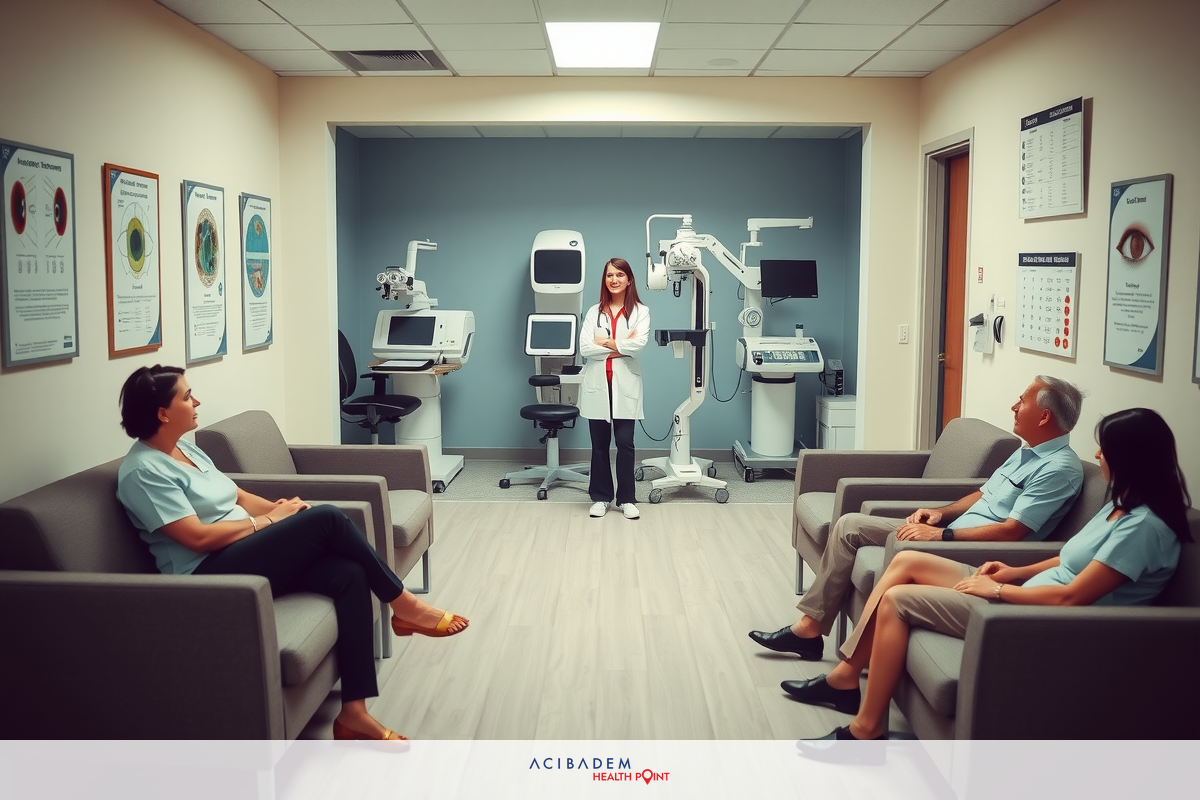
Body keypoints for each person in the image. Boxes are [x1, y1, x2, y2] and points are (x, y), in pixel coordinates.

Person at [792, 407, 1190, 743]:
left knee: (898, 600)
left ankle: (866, 728)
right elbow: (1069, 558)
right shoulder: (1118, 506)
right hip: (1027, 592)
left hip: (1043, 620)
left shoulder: (1142, 528)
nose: (1098, 454)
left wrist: (998, 590)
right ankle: (846, 676)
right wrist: (1016, 570)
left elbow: (1070, 598)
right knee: (909, 560)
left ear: (1132, 458)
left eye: (1107, 447)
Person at [115, 365, 468, 743]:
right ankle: (404, 604)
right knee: (328, 518)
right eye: (187, 396)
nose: (196, 401)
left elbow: (238, 496)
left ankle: (354, 714)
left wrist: (281, 511)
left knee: (349, 574)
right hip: (208, 575)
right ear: (163, 413)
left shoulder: (184, 449)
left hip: (242, 551)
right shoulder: (142, 472)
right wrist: (269, 521)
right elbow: (197, 538)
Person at [750, 376, 1085, 663]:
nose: (1014, 406)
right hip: (951, 533)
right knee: (849, 525)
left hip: (972, 552)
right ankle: (810, 629)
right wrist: (941, 513)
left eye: (1022, 401)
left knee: (876, 539)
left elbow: (1012, 532)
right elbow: (983, 494)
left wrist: (941, 536)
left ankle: (829, 647)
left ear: (1044, 416)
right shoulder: (1027, 452)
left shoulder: (1058, 470)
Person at [578, 257, 650, 521]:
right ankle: (601, 497)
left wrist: (605, 342)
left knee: (624, 442)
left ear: (629, 279)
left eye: (620, 275)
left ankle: (627, 499)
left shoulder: (641, 312)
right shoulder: (593, 312)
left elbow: (638, 345)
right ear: (604, 279)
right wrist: (620, 346)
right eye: (610, 275)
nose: (614, 279)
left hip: (625, 384)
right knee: (599, 444)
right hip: (598, 383)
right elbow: (585, 348)